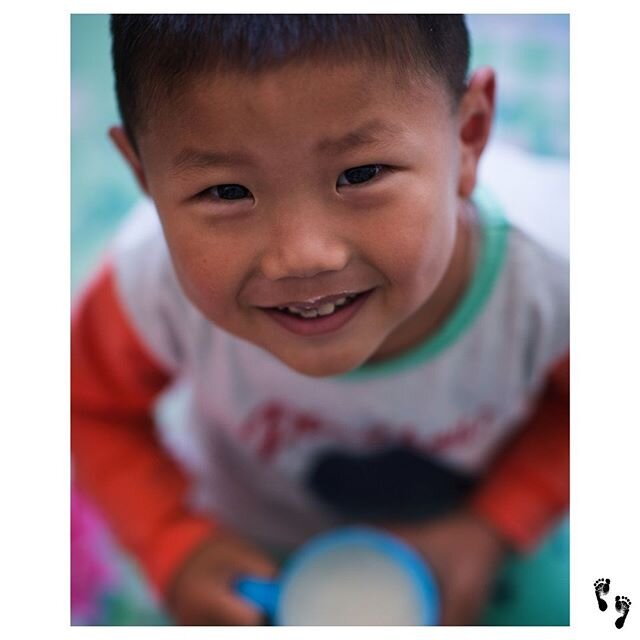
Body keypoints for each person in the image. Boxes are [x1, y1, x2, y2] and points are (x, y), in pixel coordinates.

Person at [71, 15, 569, 626]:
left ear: (468, 136)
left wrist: (495, 524)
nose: (302, 256)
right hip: (248, 551)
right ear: (144, 173)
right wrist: (175, 544)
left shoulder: (562, 276)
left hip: (480, 539)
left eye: (360, 175)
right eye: (226, 192)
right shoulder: (145, 286)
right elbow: (86, 407)